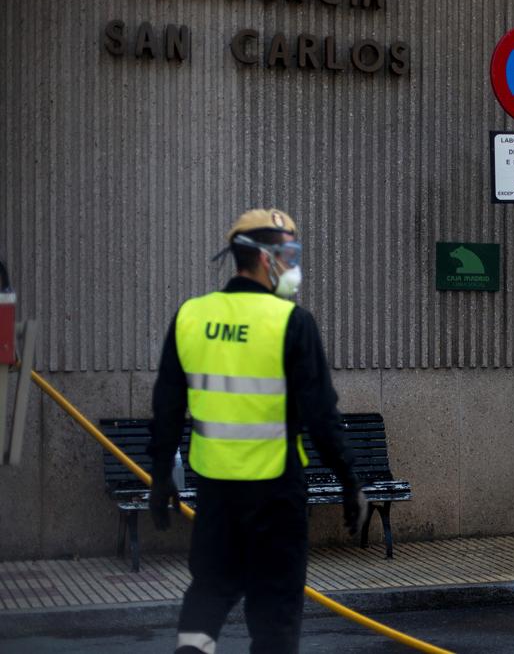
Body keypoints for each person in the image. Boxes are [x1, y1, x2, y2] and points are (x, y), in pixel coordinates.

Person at [148, 208, 363, 654]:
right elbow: (322, 415)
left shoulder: (192, 316)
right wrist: (348, 481)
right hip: (276, 494)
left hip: (216, 492)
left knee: (207, 595)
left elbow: (167, 404)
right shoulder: (291, 322)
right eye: (289, 254)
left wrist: (158, 476)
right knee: (275, 615)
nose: (293, 264)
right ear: (266, 259)